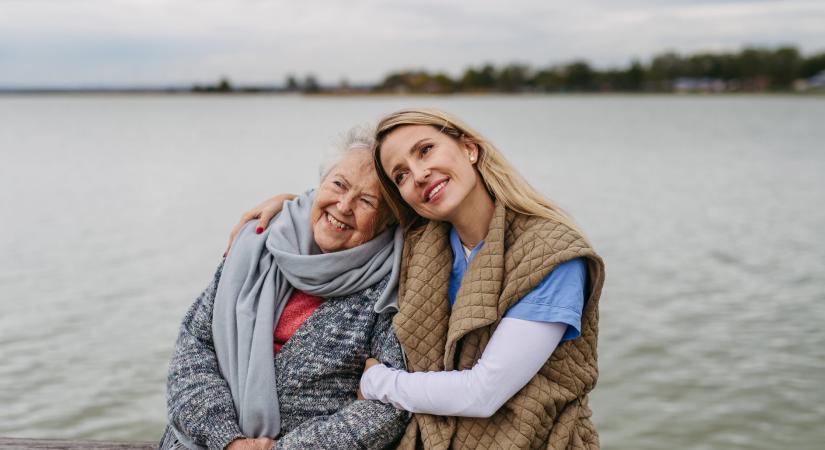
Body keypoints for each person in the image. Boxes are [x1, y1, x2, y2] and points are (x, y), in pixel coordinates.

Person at [235, 109, 606, 449]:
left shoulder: (551, 255)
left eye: (425, 150)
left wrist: (377, 382)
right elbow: (348, 207)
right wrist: (289, 209)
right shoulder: (421, 240)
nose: (419, 174)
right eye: (401, 175)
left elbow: (483, 392)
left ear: (469, 148)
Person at [159, 126, 408, 450]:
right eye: (338, 184)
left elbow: (385, 410)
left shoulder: (389, 286)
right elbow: (193, 349)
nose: (344, 205)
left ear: (388, 220)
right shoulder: (258, 243)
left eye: (366, 201)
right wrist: (229, 441)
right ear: (318, 186)